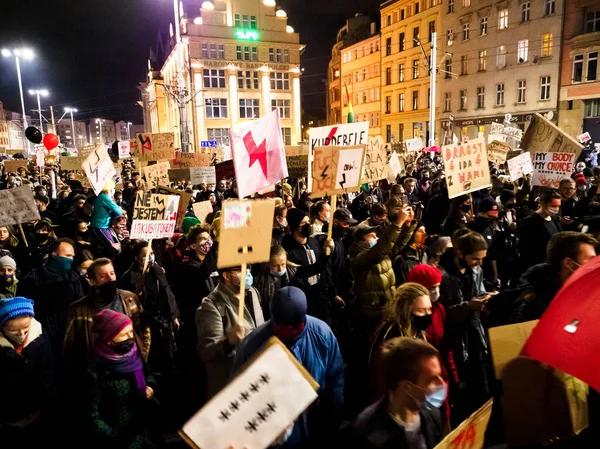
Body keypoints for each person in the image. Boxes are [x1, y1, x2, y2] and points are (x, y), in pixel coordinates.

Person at [233, 287, 344, 448]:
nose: (292, 331)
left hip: (317, 425)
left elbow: (335, 380)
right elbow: (240, 396)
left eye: (297, 326)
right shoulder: (252, 347)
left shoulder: (322, 334)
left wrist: (331, 420)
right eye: (286, 326)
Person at [338, 337, 445, 449]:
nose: (441, 383)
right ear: (406, 387)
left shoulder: (431, 414)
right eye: (432, 380)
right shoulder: (364, 437)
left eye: (440, 376)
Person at [439, 230, 492, 423]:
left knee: (480, 381)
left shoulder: (477, 270)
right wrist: (467, 307)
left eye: (482, 259)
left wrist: (486, 300)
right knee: (460, 387)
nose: (480, 263)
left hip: (474, 334)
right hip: (454, 340)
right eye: (475, 259)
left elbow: (479, 290)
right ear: (460, 254)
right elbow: (442, 314)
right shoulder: (443, 276)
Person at [63, 258, 150, 373]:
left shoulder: (130, 299)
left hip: (131, 366)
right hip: (97, 372)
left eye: (112, 273)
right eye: (103, 276)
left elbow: (143, 329)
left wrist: (142, 355)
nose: (110, 279)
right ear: (92, 281)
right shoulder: (77, 310)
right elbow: (68, 347)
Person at [85, 309, 156, 449]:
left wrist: (151, 386)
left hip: (144, 431)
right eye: (124, 335)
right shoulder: (96, 370)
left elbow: (148, 374)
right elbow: (91, 415)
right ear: (108, 338)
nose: (131, 338)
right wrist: (115, 435)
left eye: (131, 332)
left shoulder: (134, 353)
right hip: (119, 441)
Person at [195, 265, 265, 399]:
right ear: (226, 275)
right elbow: (206, 352)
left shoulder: (252, 292)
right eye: (241, 270)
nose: (247, 272)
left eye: (248, 267)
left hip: (256, 377)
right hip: (231, 384)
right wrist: (229, 342)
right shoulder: (211, 305)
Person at [349, 205, 415, 334]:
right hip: (373, 313)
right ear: (360, 241)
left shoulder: (381, 254)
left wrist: (408, 225)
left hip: (388, 307)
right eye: (371, 236)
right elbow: (379, 250)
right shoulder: (359, 257)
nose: (376, 238)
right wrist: (397, 224)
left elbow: (397, 245)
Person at [0, 297, 56, 446]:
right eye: (13, 330)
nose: (21, 334)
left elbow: (48, 369)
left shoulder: (40, 337)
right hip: (8, 411)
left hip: (38, 408)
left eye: (26, 328)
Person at [121, 240, 180, 375]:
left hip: (164, 320)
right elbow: (129, 305)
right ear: (136, 258)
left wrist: (174, 315)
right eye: (146, 254)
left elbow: (168, 293)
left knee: (169, 357)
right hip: (145, 324)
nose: (150, 256)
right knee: (151, 358)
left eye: (151, 253)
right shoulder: (129, 277)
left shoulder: (157, 271)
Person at [511, 232, 597, 323]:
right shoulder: (536, 305)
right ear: (569, 264)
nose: (596, 265)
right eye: (591, 260)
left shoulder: (577, 292)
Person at [20, 238, 84, 355]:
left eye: (72, 257)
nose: (70, 260)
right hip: (41, 332)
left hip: (67, 331)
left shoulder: (73, 278)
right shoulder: (33, 278)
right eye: (67, 256)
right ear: (54, 255)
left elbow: (79, 303)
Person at [282, 208, 334, 322]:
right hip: (305, 300)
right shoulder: (288, 251)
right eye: (304, 223)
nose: (308, 225)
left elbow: (323, 271)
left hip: (321, 298)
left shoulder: (314, 243)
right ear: (296, 227)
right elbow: (303, 272)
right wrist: (325, 257)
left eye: (308, 222)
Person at [518, 188, 563, 273]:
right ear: (543, 204)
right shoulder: (529, 222)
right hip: (537, 268)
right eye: (553, 206)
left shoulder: (554, 219)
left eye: (558, 206)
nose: (556, 209)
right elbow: (525, 249)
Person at [89, 185, 124, 258]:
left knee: (114, 244)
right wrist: (120, 208)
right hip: (99, 226)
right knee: (111, 246)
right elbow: (118, 211)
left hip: (103, 226)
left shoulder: (102, 197)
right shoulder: (104, 197)